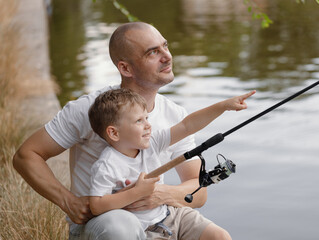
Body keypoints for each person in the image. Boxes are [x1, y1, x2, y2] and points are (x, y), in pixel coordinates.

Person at [11, 21, 233, 239]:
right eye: (153, 52)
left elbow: (199, 192)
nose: (167, 56)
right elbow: (26, 156)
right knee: (121, 229)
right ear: (125, 68)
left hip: (161, 215)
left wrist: (161, 194)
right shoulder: (90, 109)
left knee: (219, 236)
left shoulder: (175, 115)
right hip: (107, 222)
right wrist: (67, 201)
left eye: (165, 46)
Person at [87, 88, 255, 239]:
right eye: (139, 121)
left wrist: (223, 106)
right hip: (143, 229)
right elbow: (96, 205)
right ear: (114, 133)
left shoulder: (153, 142)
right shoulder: (107, 165)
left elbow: (187, 125)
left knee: (220, 236)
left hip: (171, 214)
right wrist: (136, 192)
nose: (148, 125)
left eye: (147, 118)